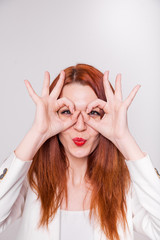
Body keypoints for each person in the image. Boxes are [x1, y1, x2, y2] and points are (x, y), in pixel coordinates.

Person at [0, 63, 160, 240]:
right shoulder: (31, 180)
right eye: (67, 112)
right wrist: (37, 132)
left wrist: (123, 138)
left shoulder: (125, 185)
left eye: (93, 113)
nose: (80, 126)